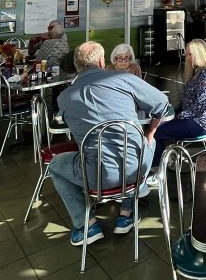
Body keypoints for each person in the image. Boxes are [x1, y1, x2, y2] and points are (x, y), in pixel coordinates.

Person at [48, 42, 169, 245]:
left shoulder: (64, 97)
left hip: (97, 176)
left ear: (77, 65)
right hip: (137, 166)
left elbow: (74, 133)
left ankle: (86, 224)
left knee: (56, 165)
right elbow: (163, 105)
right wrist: (150, 132)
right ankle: (126, 212)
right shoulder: (123, 78)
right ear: (103, 61)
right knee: (144, 144)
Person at [149, 39, 206, 172]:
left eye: (189, 54)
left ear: (199, 54)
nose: (186, 58)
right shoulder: (198, 72)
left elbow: (200, 104)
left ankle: (156, 170)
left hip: (199, 123)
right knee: (156, 127)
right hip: (192, 120)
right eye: (186, 54)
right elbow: (187, 102)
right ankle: (159, 165)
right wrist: (171, 114)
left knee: (157, 131)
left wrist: (178, 116)